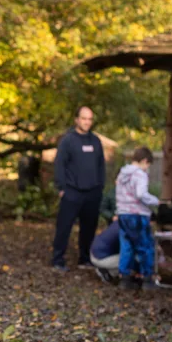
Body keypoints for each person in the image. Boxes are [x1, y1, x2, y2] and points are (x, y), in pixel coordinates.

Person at [51, 106, 106, 271]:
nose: (87, 122)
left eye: (90, 119)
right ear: (76, 120)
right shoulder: (68, 140)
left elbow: (101, 165)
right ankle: (57, 260)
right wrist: (61, 188)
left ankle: (84, 258)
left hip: (92, 192)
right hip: (72, 191)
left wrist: (100, 187)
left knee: (89, 227)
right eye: (84, 118)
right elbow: (59, 164)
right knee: (64, 226)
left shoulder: (96, 141)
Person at [115, 147, 160, 291]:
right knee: (145, 246)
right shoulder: (140, 174)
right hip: (137, 215)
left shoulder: (122, 174)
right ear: (145, 161)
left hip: (123, 214)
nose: (147, 168)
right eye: (148, 165)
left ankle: (124, 279)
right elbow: (141, 194)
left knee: (126, 246)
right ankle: (147, 280)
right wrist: (155, 200)